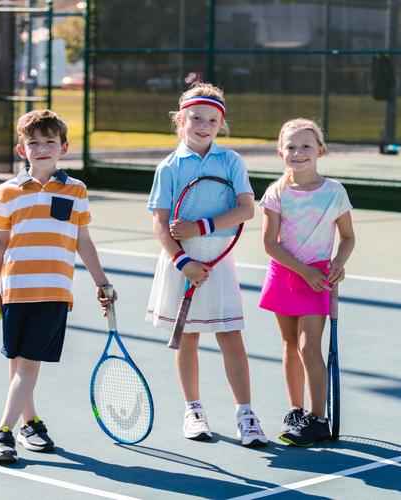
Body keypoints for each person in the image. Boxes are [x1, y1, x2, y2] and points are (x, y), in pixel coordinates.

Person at [0, 109, 115, 464]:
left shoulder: (76, 190)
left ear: (64, 147)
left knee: (28, 365)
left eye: (49, 142)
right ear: (21, 149)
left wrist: (101, 281)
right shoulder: (8, 191)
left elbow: (82, 240)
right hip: (15, 290)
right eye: (34, 143)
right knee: (18, 363)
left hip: (54, 291)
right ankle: (30, 424)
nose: (42, 148)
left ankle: (2, 432)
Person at [146, 82, 268, 447]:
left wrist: (202, 226)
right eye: (196, 118)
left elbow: (247, 209)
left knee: (231, 335)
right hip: (180, 262)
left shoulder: (231, 161)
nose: (203, 125)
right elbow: (160, 223)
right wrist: (183, 261)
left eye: (212, 120)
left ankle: (246, 414)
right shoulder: (168, 167)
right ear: (180, 120)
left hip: (218, 261)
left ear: (220, 124)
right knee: (188, 338)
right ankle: (193, 411)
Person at [258, 118, 356, 446]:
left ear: (320, 151)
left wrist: (338, 263)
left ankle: (318, 419)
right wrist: (304, 271)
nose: (298, 152)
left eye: (305, 146)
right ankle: (296, 410)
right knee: (288, 345)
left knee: (307, 346)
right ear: (280, 152)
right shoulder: (275, 193)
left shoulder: (334, 192)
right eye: (291, 147)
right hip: (286, 274)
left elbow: (347, 237)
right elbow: (270, 243)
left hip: (317, 279)